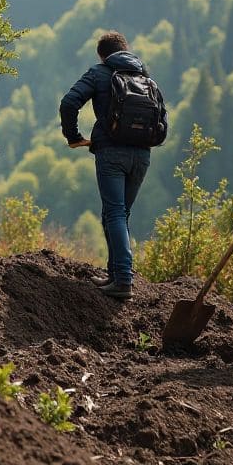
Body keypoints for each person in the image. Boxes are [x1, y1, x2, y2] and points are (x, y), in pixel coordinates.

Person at [59, 31, 154, 301]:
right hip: (142, 154)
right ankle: (114, 274)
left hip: (111, 153)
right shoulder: (144, 76)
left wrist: (73, 137)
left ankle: (123, 280)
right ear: (126, 50)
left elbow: (69, 102)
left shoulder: (100, 72)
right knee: (120, 214)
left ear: (102, 55)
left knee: (114, 213)